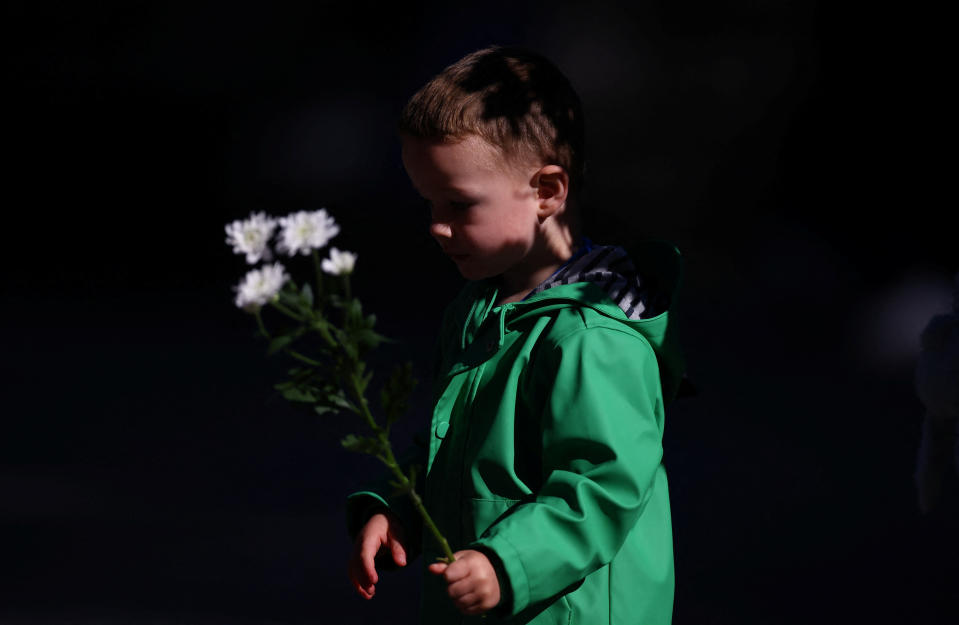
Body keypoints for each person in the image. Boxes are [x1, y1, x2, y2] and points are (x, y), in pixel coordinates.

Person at [345, 44, 685, 624]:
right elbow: (452, 447)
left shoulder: (592, 336)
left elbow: (602, 486)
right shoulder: (478, 310)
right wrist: (399, 508)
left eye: (459, 203)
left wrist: (507, 564)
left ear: (548, 192)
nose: (436, 226)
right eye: (428, 202)